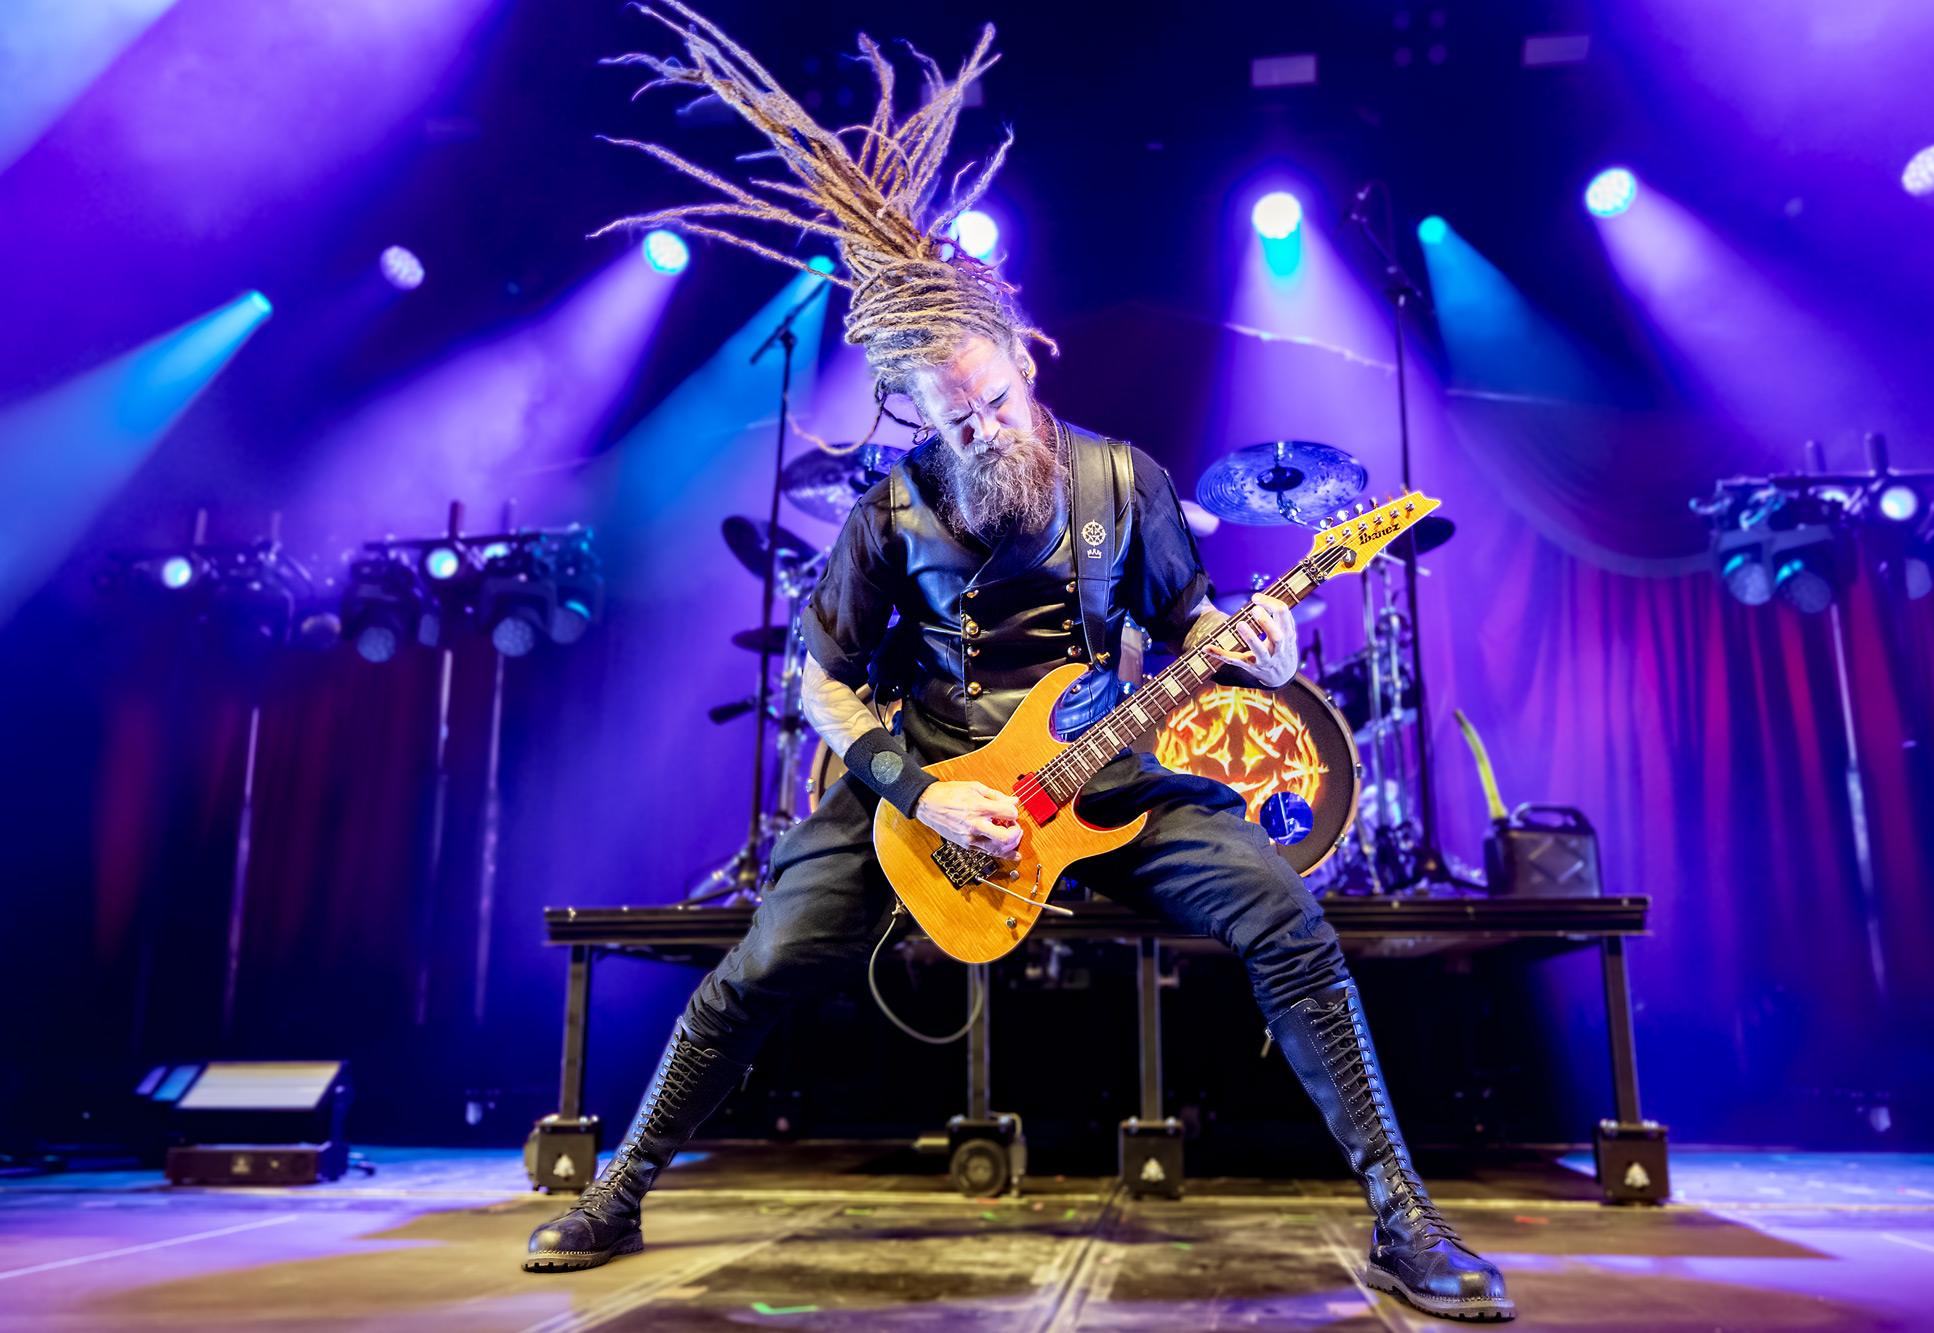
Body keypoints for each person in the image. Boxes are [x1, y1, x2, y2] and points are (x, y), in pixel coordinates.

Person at [526, 6, 1512, 1320]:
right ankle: (621, 1186)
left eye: (997, 400)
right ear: (914, 412)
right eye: (957, 420)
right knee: (764, 961)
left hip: (1105, 771)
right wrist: (922, 791)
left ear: (1023, 358)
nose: (986, 428)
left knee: (1287, 915)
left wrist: (1256, 651)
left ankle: (1405, 1218)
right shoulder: (891, 510)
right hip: (930, 778)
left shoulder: (1123, 480)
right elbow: (819, 681)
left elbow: (1187, 625)